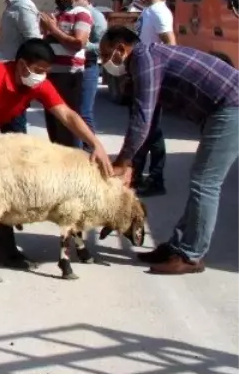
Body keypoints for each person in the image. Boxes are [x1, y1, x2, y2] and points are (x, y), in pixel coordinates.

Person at [0, 38, 112, 265]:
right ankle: (7, 251)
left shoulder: (37, 83)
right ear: (22, 65)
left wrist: (94, 144)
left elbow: (67, 115)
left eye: (46, 71)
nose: (42, 76)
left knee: (3, 183)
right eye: (38, 70)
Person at [101, 27, 239, 274]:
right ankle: (178, 246)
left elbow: (142, 119)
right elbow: (149, 119)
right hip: (222, 109)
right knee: (201, 181)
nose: (104, 62)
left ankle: (191, 255)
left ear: (121, 48)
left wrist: (122, 161)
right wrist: (131, 164)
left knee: (205, 183)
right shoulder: (143, 62)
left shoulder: (145, 59)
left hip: (232, 106)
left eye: (105, 54)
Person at [130, 0, 175, 197]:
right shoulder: (148, 11)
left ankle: (155, 178)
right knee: (148, 129)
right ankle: (139, 174)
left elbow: (171, 45)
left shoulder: (159, 12)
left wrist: (165, 77)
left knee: (152, 130)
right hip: (144, 75)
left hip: (154, 77)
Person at [38, 0, 92, 149]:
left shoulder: (82, 14)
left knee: (67, 127)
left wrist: (53, 30)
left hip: (70, 77)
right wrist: (46, 32)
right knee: (53, 126)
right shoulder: (56, 15)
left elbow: (78, 43)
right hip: (52, 76)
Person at [0, 0, 41, 134]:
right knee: (7, 127)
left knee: (15, 129)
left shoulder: (23, 6)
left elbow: (33, 43)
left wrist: (22, 75)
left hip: (14, 78)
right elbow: (14, 40)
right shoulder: (11, 5)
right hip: (4, 75)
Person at [76, 0, 107, 135]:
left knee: (84, 114)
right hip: (72, 67)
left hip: (88, 66)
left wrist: (80, 44)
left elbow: (102, 47)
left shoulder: (96, 17)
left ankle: (91, 151)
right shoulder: (71, 14)